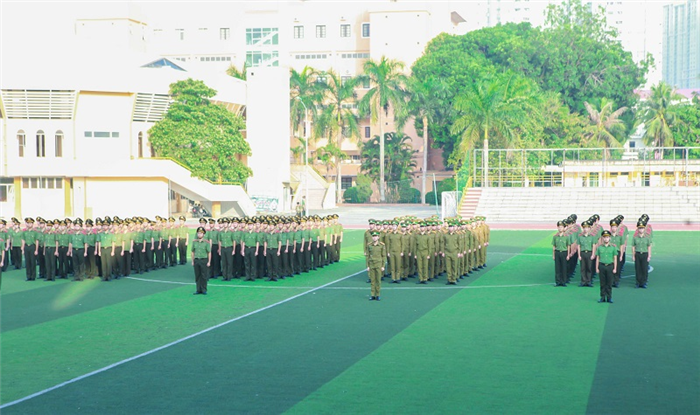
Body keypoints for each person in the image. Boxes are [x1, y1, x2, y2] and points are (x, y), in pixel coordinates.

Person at [593, 230, 617, 303]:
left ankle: (609, 297)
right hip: (602, 266)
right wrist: (597, 268)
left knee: (609, 283)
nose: (606, 239)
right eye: (604, 237)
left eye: (607, 237)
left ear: (609, 238)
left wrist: (615, 268)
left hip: (610, 266)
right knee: (602, 283)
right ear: (602, 238)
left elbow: (615, 258)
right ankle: (602, 297)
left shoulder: (613, 247)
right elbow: (597, 258)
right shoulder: (600, 248)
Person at [191, 226, 211, 295]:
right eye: (198, 233)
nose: (199, 234)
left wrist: (209, 261)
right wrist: (192, 261)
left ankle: (204, 289)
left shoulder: (206, 242)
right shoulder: (194, 242)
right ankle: (198, 289)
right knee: (197, 275)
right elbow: (192, 251)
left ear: (203, 234)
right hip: (196, 260)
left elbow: (209, 252)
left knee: (204, 275)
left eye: (201, 233)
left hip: (203, 260)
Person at [632, 221, 652, 288]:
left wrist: (649, 255)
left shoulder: (647, 237)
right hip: (637, 254)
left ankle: (643, 282)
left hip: (644, 254)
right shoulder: (635, 237)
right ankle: (638, 282)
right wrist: (633, 255)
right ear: (638, 229)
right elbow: (633, 246)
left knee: (644, 269)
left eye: (642, 228)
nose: (641, 230)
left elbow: (649, 246)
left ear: (644, 229)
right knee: (638, 269)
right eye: (640, 228)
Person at [366, 231, 386, 301]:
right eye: (373, 236)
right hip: (371, 264)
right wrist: (367, 266)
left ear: (378, 237)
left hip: (378, 264)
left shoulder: (381, 245)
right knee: (372, 280)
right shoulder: (369, 245)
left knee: (378, 280)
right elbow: (367, 256)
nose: (374, 238)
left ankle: (377, 295)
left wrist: (383, 266)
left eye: (376, 236)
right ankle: (372, 295)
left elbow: (383, 256)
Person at [577, 220, 596, 287]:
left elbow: (593, 246)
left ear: (589, 228)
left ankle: (588, 281)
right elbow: (579, 246)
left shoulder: (592, 237)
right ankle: (583, 281)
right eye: (584, 228)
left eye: (587, 228)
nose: (585, 229)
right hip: (582, 253)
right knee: (583, 268)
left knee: (589, 268)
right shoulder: (580, 237)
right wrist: (579, 255)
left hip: (589, 253)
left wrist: (593, 254)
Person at [552, 220, 569, 287]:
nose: (560, 228)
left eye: (561, 227)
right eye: (559, 227)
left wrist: (568, 255)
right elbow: (554, 246)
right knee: (557, 268)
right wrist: (553, 255)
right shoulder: (555, 236)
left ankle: (563, 281)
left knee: (564, 267)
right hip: (557, 252)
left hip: (564, 252)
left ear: (564, 228)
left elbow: (568, 246)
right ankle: (558, 281)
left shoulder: (566, 236)